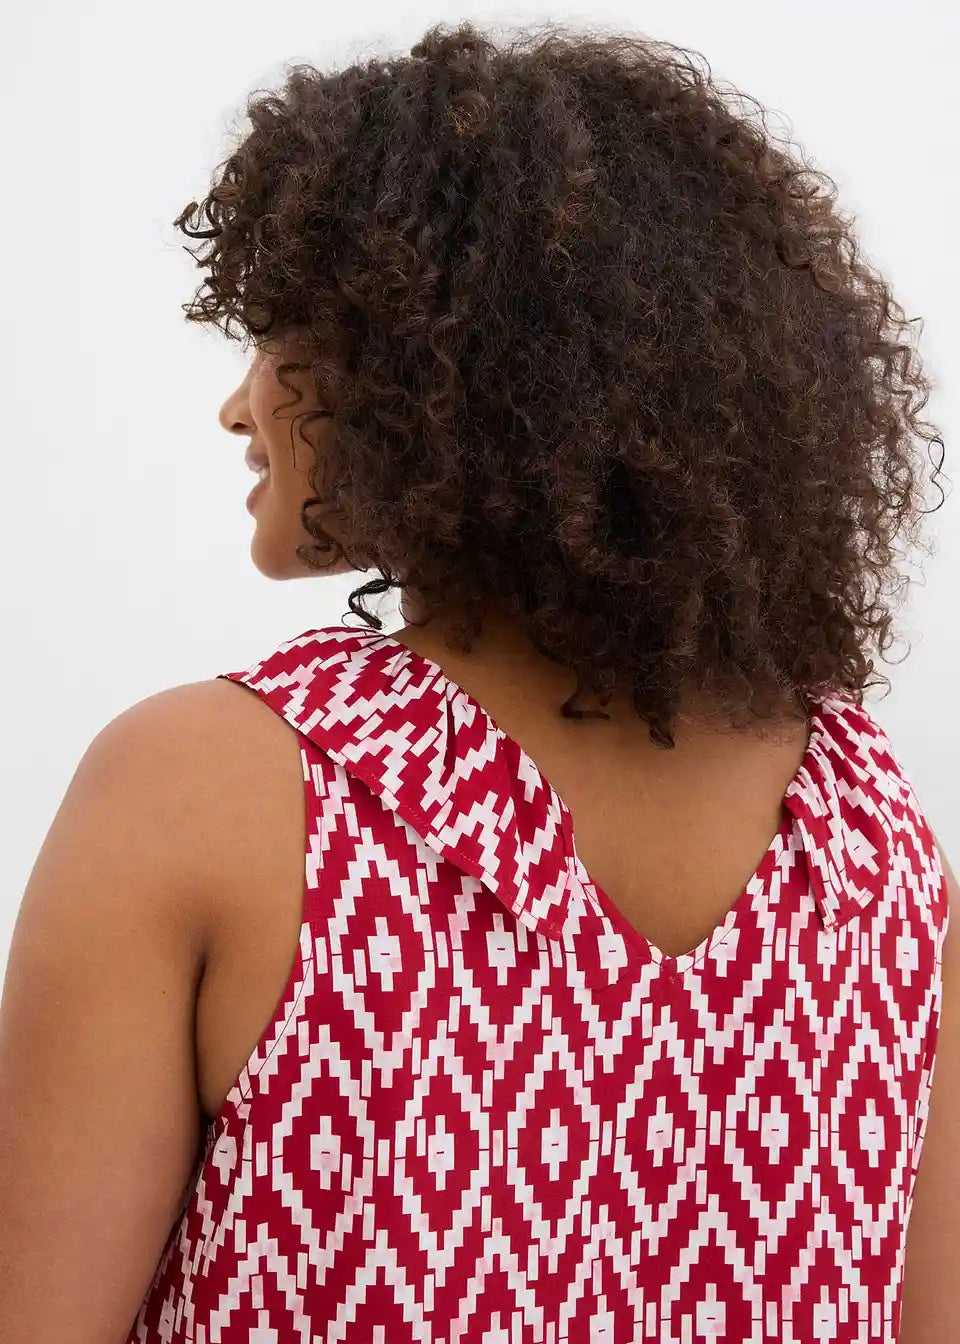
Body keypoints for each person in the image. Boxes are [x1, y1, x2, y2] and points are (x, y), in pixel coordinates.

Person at [0, 19, 954, 1343]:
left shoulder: (207, 789)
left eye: (284, 339)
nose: (239, 406)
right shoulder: (874, 846)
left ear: (433, 374)